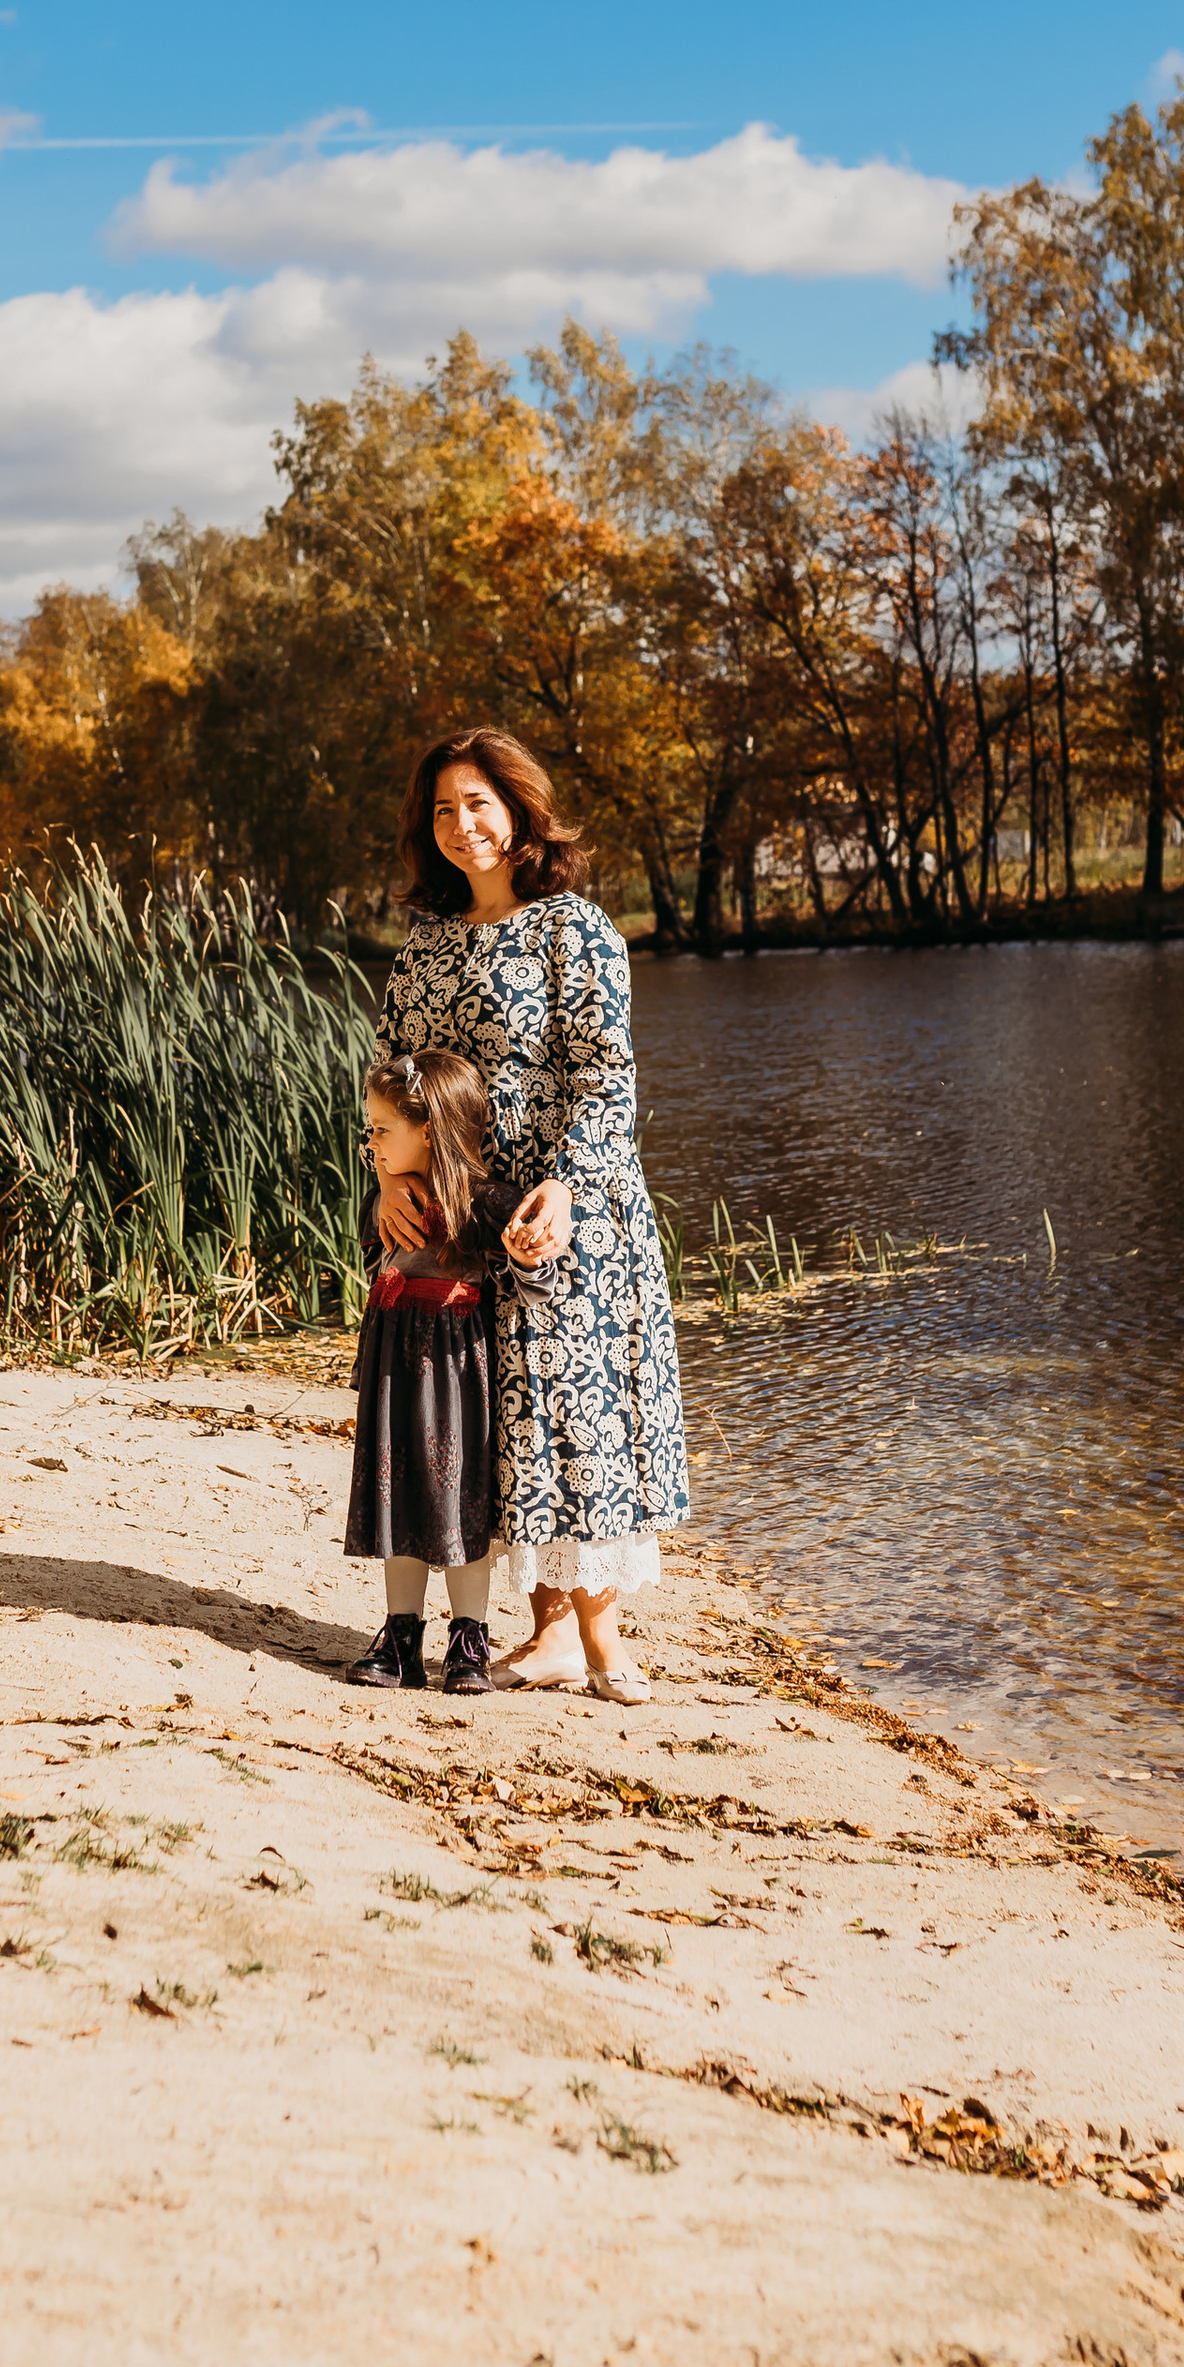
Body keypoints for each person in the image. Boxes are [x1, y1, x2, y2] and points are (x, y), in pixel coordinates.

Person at [377, 727, 690, 1703]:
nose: (461, 824)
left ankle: (601, 1640)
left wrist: (566, 1187)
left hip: (569, 1205)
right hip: (462, 1217)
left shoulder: (573, 929)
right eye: (443, 809)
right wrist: (387, 1179)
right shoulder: (424, 946)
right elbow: (390, 1080)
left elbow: (608, 1079)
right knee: (502, 1416)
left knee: (574, 1407)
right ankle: (547, 1635)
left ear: (518, 811)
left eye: (478, 802)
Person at [341, 1043, 542, 1696]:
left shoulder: (483, 1203)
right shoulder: (384, 1201)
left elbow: (534, 1266)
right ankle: (401, 1639)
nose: (371, 1143)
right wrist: (382, 1198)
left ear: (428, 1130)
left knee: (460, 1500)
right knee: (397, 1496)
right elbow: (375, 1256)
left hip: (453, 1371)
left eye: (381, 1130)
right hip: (392, 1368)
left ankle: (468, 1642)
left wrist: (529, 1253)